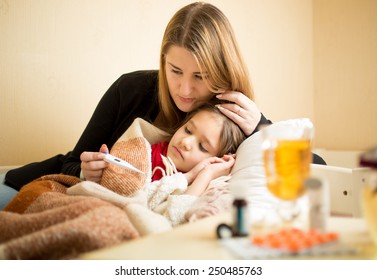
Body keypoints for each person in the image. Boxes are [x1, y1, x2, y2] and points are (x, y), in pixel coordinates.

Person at [1, 2, 325, 207]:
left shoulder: (232, 122)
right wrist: (88, 170)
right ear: (163, 62)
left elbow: (320, 170)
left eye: (201, 75)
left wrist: (262, 128)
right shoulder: (132, 89)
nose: (184, 89)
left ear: (223, 74)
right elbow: (70, 163)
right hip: (30, 183)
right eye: (175, 71)